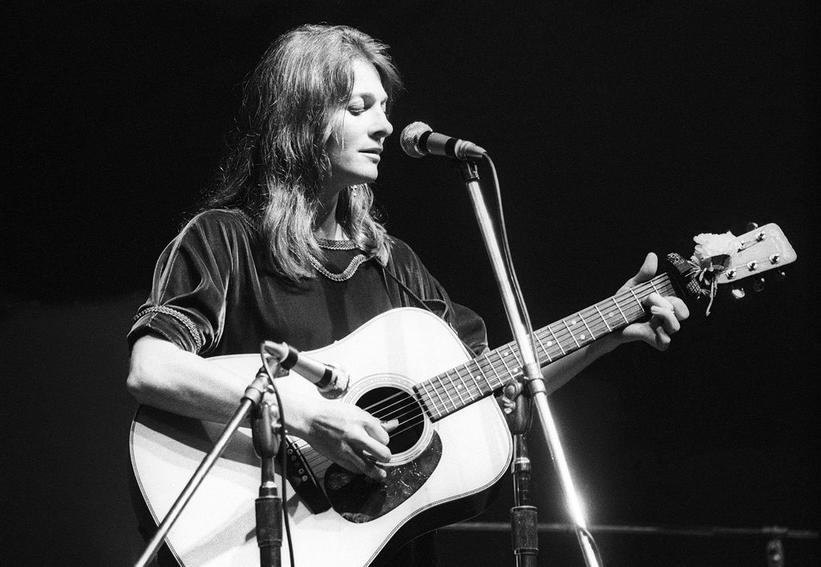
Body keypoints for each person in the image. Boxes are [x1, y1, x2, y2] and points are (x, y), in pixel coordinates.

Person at [126, 23, 688, 566]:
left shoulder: (391, 262)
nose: (385, 127)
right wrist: (302, 416)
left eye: (384, 108)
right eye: (358, 107)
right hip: (262, 529)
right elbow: (151, 368)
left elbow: (493, 382)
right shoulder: (226, 239)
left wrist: (610, 329)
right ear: (302, 117)